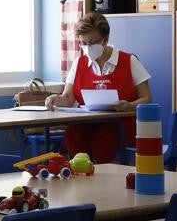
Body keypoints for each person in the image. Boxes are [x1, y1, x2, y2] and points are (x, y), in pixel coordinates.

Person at [45, 12, 152, 163]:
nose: (88, 48)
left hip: (120, 123)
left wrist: (129, 106)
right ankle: (82, 171)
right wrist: (56, 99)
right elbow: (67, 98)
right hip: (87, 122)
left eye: (92, 42)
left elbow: (147, 98)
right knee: (72, 135)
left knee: (102, 142)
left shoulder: (129, 61)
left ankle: (102, 174)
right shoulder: (79, 63)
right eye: (83, 43)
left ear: (105, 39)